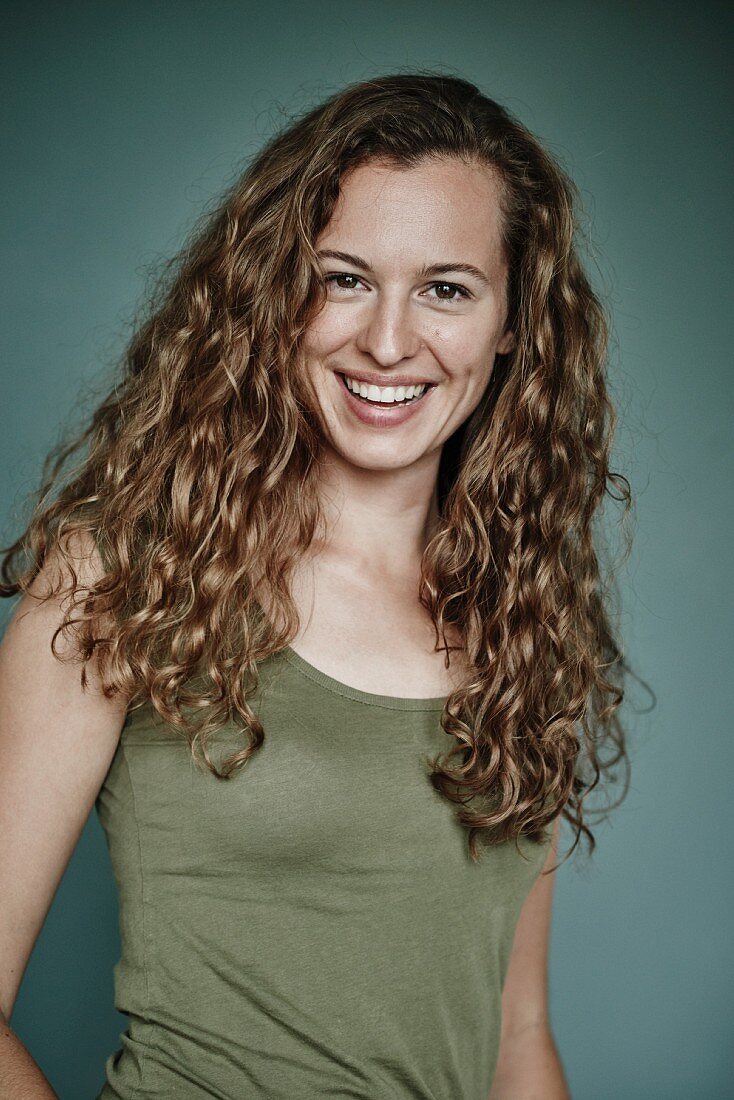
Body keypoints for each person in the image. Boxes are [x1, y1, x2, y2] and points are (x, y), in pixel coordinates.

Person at [0, 72, 632, 1099]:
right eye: (343, 277)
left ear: (512, 321)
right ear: (274, 293)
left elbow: (516, 1033)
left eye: (445, 288)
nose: (387, 341)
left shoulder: (521, 624)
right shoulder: (129, 576)